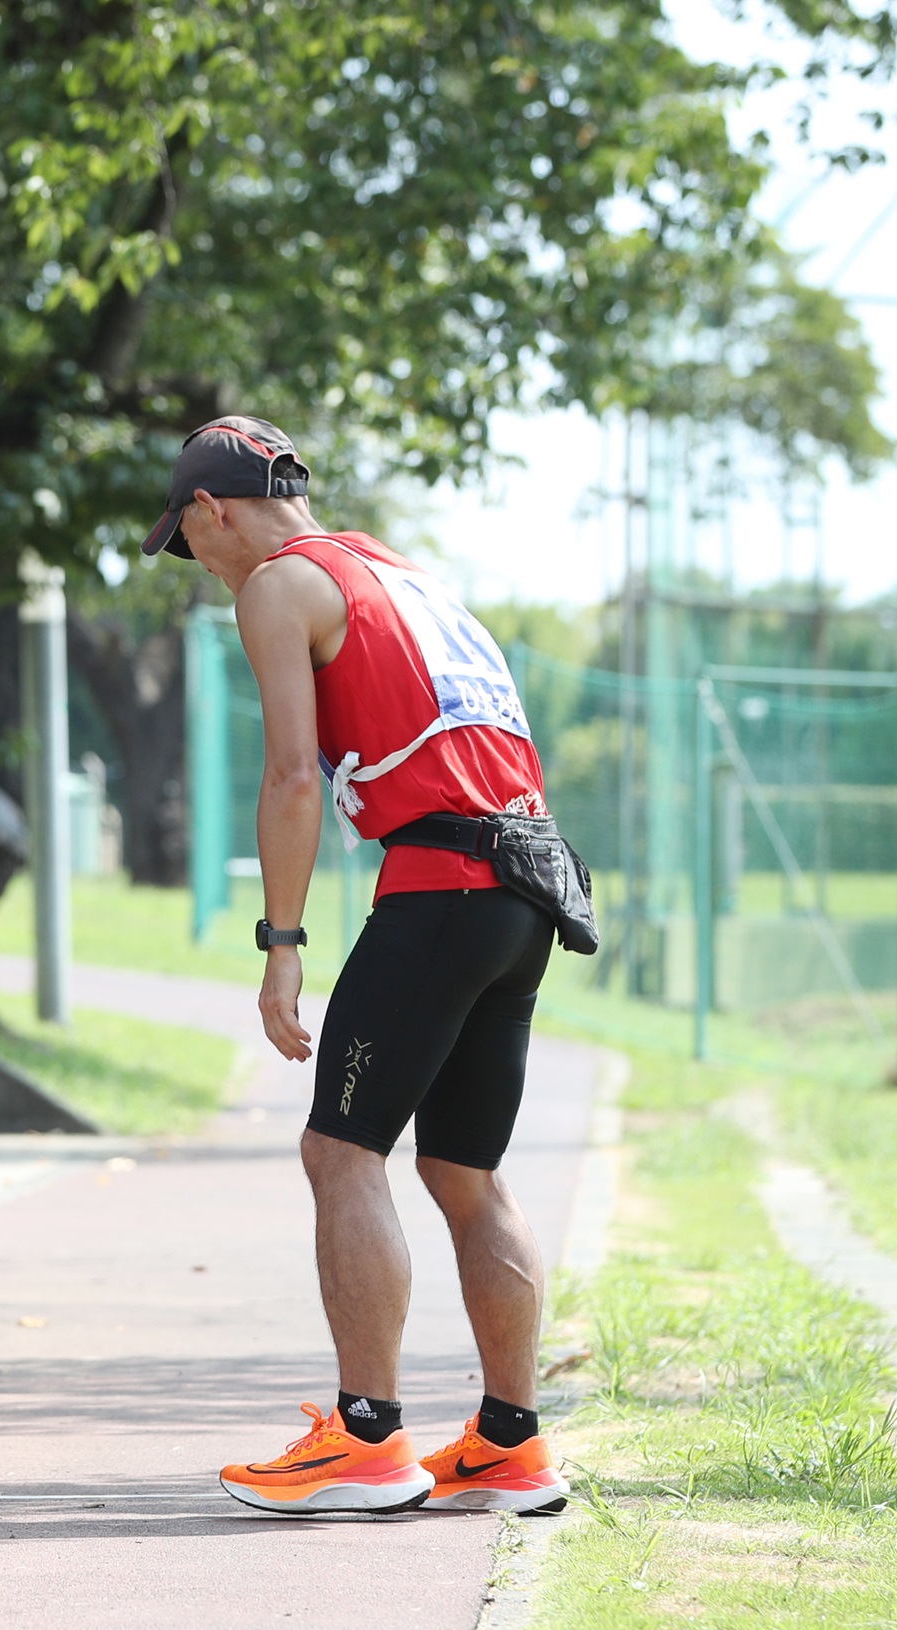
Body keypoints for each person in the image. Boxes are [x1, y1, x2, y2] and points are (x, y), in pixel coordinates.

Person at [143, 416, 576, 1517]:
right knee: (464, 1172)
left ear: (211, 511)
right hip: (528, 882)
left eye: (188, 542)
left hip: (442, 887)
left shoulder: (278, 586)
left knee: (341, 1152)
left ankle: (369, 1436)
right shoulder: (403, 574)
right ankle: (510, 1443)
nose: (201, 567)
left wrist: (281, 945)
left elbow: (294, 778)